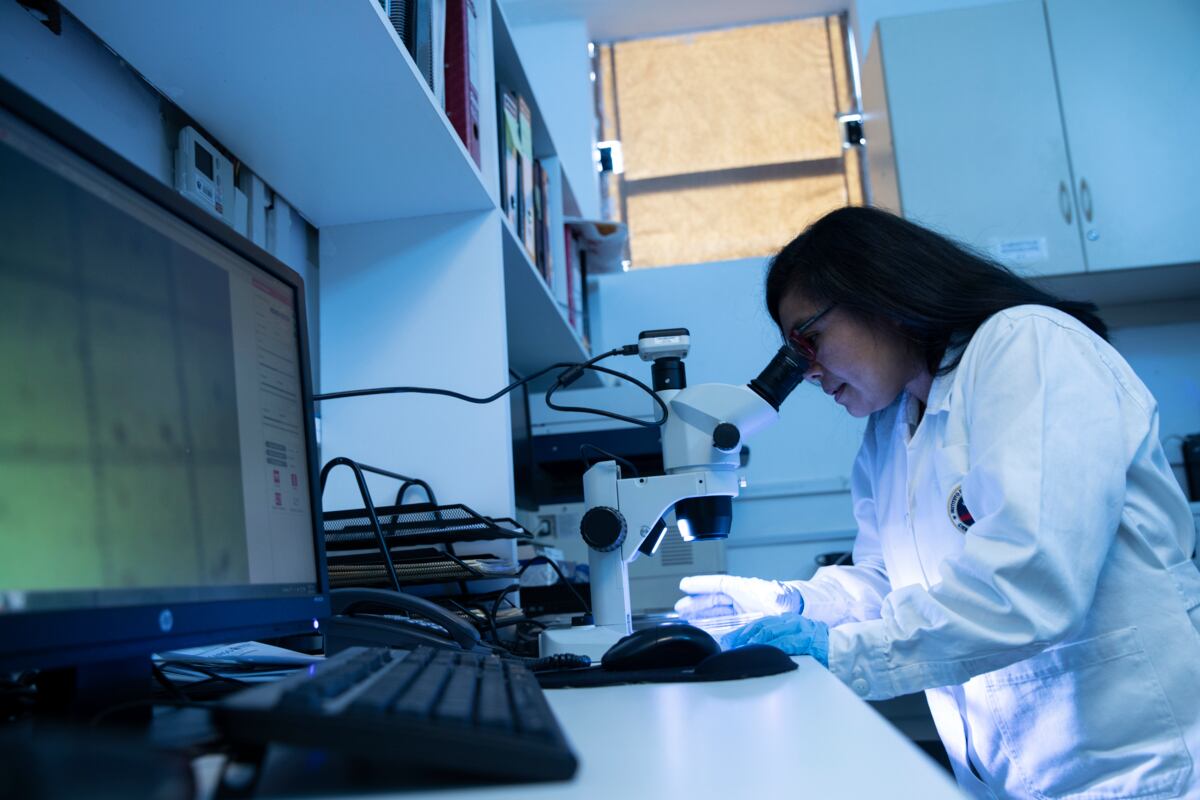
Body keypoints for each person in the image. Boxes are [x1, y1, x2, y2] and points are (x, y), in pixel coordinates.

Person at [676, 206, 1200, 800]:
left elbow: (1027, 586)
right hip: (1009, 777)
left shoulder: (1028, 347)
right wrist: (792, 602)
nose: (808, 372)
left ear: (878, 291)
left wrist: (837, 651)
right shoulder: (889, 430)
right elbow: (887, 583)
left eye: (809, 339)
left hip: (1141, 771)